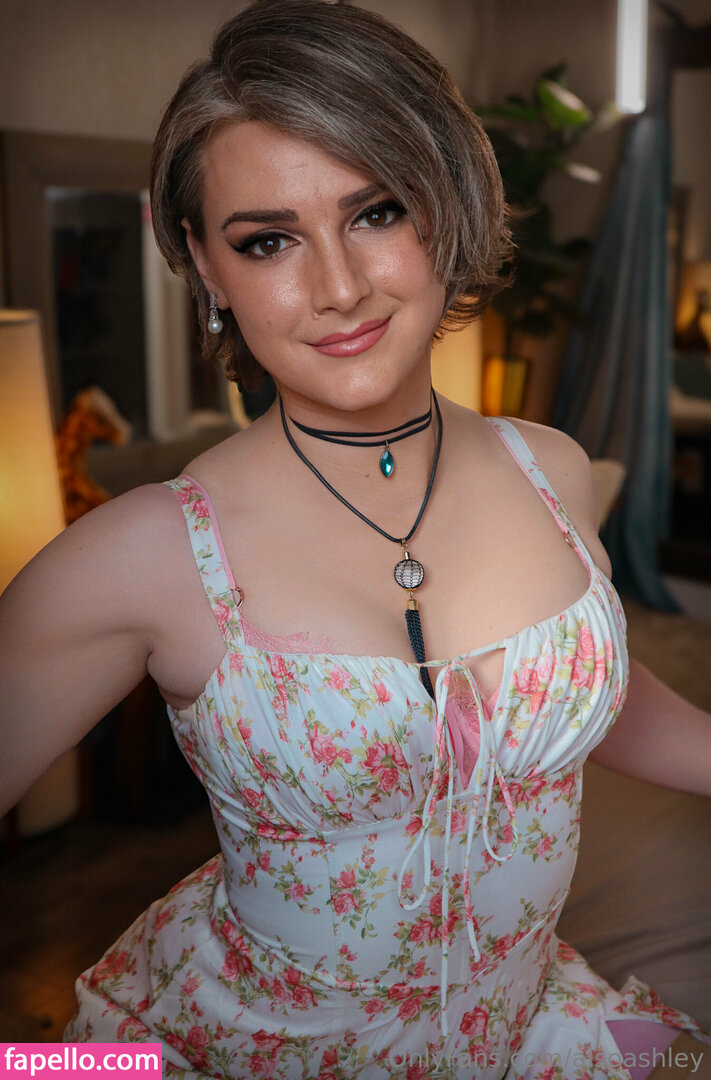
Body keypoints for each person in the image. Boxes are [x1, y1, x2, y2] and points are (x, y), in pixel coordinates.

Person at [1, 1, 710, 1076]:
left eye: (376, 211)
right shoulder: (146, 555)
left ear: (445, 205)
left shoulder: (549, 467)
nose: (337, 288)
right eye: (268, 240)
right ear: (204, 263)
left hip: (527, 1024)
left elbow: (571, 688)